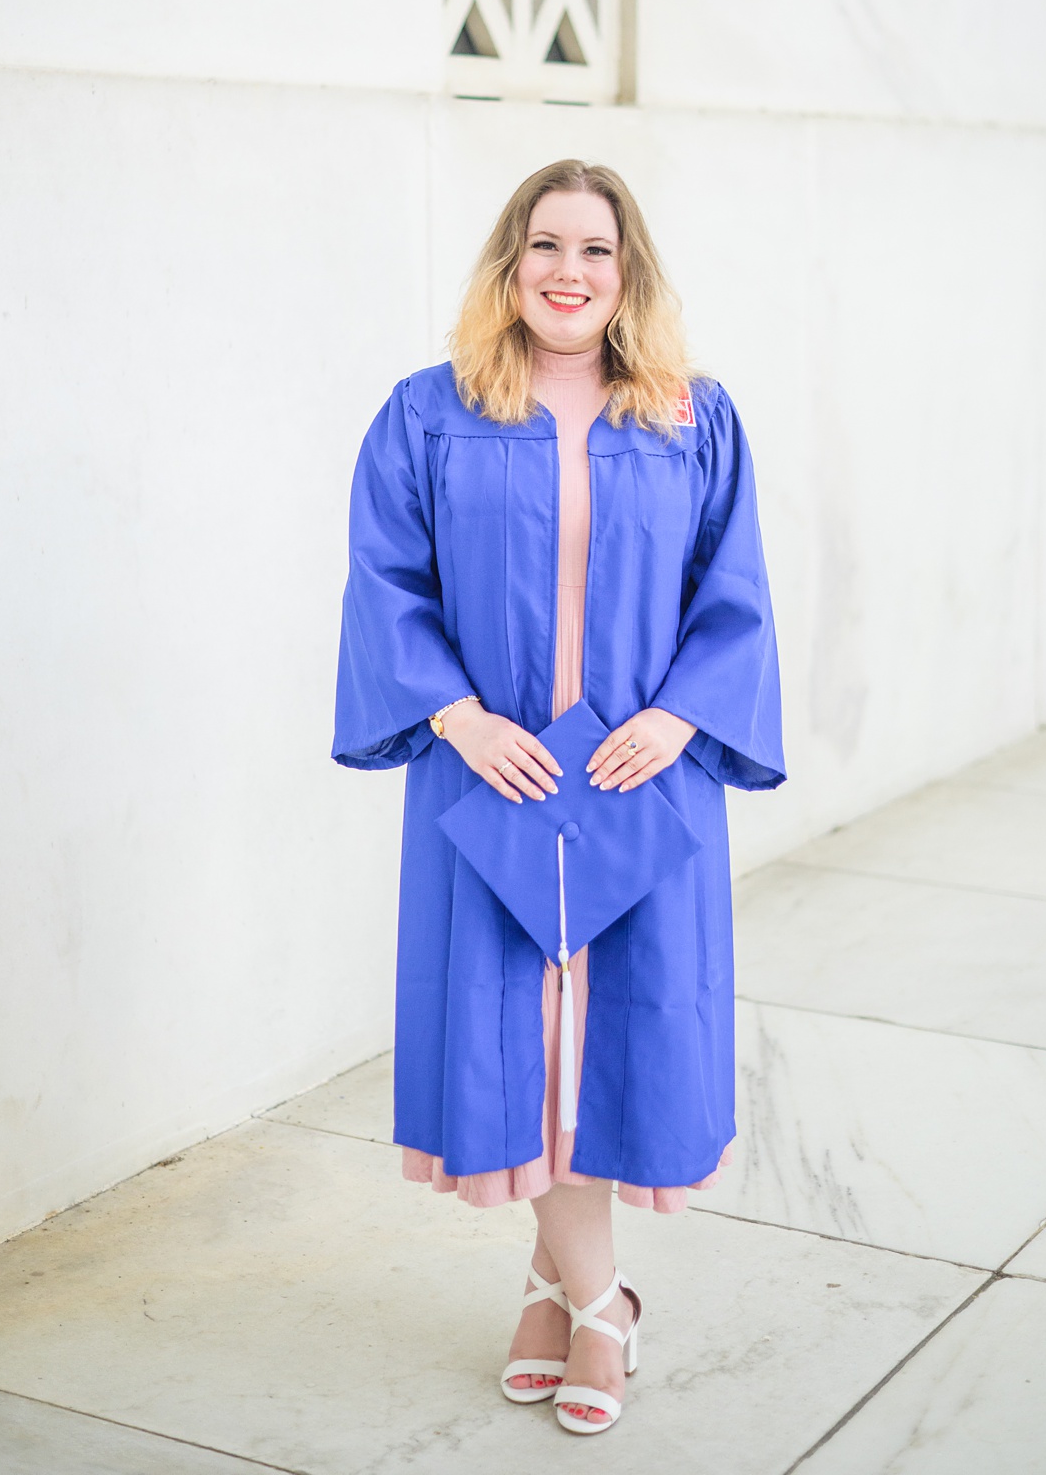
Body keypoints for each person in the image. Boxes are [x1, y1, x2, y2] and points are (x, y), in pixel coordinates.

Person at [333, 160, 783, 1436]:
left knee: (611, 1046)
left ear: (627, 272)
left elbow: (733, 589)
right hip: (492, 778)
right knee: (519, 1054)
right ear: (508, 264)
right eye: (544, 246)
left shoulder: (694, 416)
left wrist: (682, 714)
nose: (568, 271)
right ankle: (603, 1302)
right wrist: (458, 716)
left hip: (641, 777)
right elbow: (385, 580)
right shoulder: (429, 414)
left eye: (595, 248)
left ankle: (556, 1290)